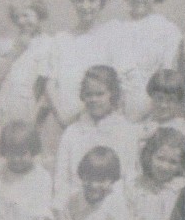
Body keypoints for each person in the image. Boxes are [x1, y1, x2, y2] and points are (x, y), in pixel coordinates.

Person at [0, 0, 53, 163]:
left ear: (38, 14)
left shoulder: (48, 44)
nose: (22, 21)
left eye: (27, 15)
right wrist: (16, 51)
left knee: (28, 160)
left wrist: (34, 122)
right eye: (17, 16)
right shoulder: (3, 45)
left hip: (31, 113)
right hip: (3, 110)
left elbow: (46, 88)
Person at [53, 65, 138, 211]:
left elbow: (129, 177)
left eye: (100, 94)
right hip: (76, 206)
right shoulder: (72, 132)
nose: (93, 99)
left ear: (112, 94)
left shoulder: (126, 131)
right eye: (89, 94)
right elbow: (62, 179)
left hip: (113, 207)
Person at [110, 0, 181, 122]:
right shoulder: (114, 28)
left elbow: (167, 80)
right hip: (116, 114)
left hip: (154, 114)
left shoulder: (168, 30)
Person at [47, 0, 113, 127]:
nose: (85, 6)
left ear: (101, 3)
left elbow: (114, 83)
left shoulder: (110, 38)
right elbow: (50, 83)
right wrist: (62, 118)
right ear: (74, 2)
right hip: (62, 118)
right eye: (80, 0)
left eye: (91, 1)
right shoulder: (60, 39)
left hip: (98, 118)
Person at [138, 69, 185, 146]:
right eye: (159, 98)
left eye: (171, 100)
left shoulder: (179, 129)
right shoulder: (145, 120)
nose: (163, 105)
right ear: (151, 96)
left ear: (178, 102)